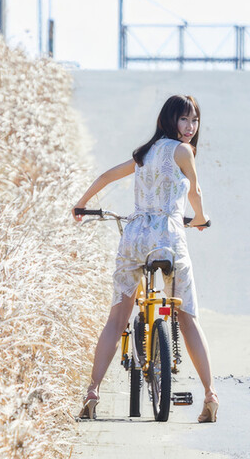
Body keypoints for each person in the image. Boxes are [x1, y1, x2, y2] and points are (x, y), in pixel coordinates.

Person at [72, 94, 218, 422]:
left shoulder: (145, 152)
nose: (190, 127)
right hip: (166, 237)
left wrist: (81, 203)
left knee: (117, 318)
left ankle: (92, 392)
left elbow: (108, 176)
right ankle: (210, 396)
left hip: (134, 235)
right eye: (184, 120)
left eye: (194, 120)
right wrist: (200, 218)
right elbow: (194, 192)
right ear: (170, 120)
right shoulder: (184, 152)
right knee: (186, 315)